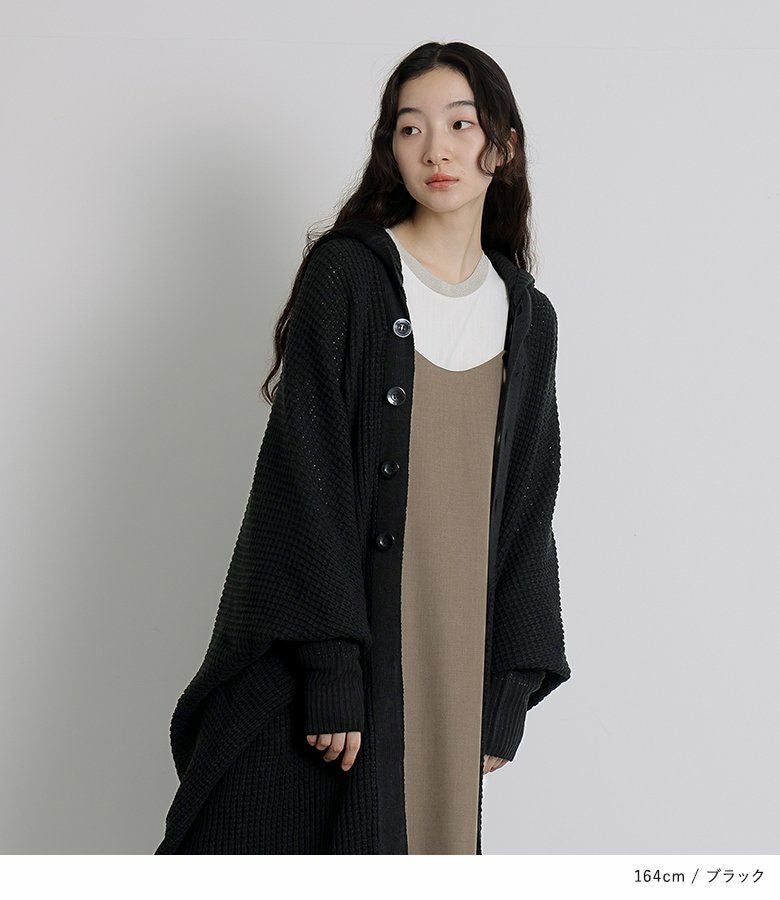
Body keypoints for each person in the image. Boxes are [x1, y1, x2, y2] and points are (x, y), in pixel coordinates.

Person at [156, 40, 571, 856]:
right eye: (411, 129)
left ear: (504, 146)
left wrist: (508, 688)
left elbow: (529, 505)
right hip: (351, 652)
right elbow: (301, 479)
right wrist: (330, 665)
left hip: (454, 659)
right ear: (391, 149)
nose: (436, 149)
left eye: (460, 124)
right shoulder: (348, 278)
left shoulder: (529, 318)